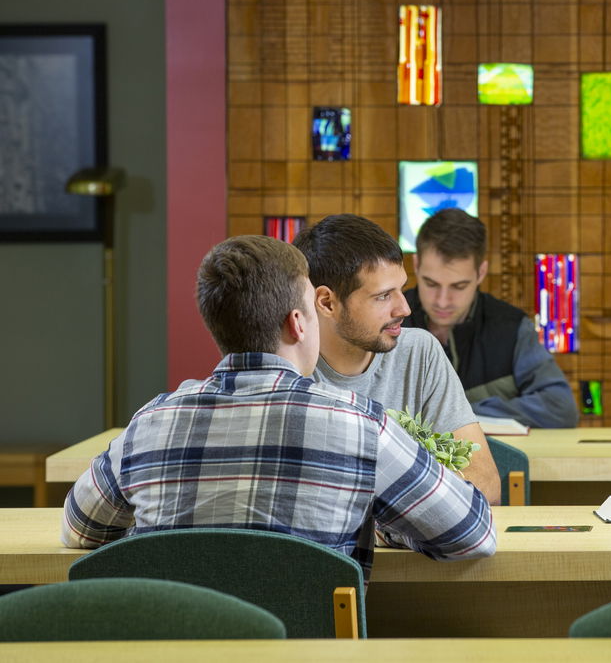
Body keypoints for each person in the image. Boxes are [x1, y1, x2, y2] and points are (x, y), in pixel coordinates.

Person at [62, 235, 496, 575]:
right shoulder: (358, 425)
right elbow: (473, 532)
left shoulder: (149, 424)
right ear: (297, 322)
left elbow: (80, 527)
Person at [293, 214, 501, 503]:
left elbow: (486, 484)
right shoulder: (285, 366)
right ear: (327, 302)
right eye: (383, 296)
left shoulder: (420, 351)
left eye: (401, 289)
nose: (404, 308)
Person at [404, 208, 579, 429]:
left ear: (481, 272)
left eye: (459, 286)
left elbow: (560, 408)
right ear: (416, 265)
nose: (442, 300)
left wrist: (458, 416)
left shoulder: (512, 328)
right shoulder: (386, 323)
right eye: (431, 284)